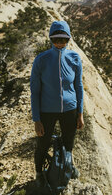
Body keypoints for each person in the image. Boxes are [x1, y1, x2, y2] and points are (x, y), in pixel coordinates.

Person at [30, 20, 84, 187]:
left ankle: (68, 167)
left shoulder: (74, 58)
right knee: (43, 144)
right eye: (56, 39)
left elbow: (79, 86)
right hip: (47, 110)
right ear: (50, 39)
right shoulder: (41, 60)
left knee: (68, 142)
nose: (60, 43)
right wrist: (36, 119)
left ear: (69, 39)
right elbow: (35, 91)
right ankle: (39, 172)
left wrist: (80, 113)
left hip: (70, 109)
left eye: (64, 39)